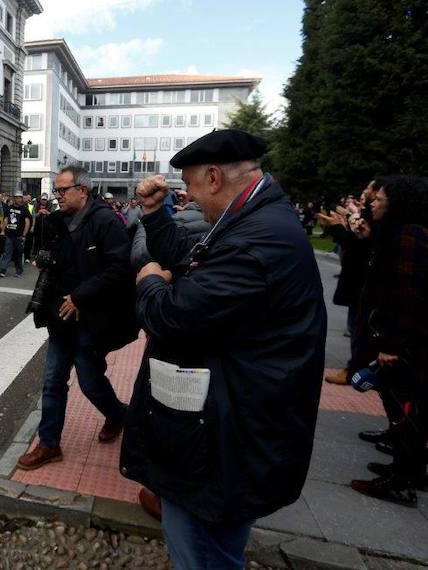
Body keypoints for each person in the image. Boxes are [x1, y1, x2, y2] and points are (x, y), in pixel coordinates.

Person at [122, 129, 327, 569]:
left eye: (191, 186)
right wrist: (155, 215)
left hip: (225, 440)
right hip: (231, 423)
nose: (190, 198)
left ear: (214, 177)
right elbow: (191, 258)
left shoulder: (257, 240)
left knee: (201, 552)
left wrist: (149, 283)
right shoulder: (254, 219)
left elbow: (172, 316)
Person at [17, 164, 138, 471]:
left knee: (89, 380)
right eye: (55, 190)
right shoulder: (57, 221)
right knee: (52, 381)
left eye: (62, 190)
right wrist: (43, 257)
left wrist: (82, 296)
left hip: (92, 318)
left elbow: (120, 269)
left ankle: (117, 414)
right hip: (60, 316)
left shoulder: (105, 221)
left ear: (82, 190)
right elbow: (52, 257)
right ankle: (49, 443)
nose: (56, 196)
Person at [349, 175, 428, 507]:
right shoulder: (400, 233)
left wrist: (392, 345)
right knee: (406, 408)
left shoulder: (408, 236)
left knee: (405, 409)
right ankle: (406, 469)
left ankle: (402, 481)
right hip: (406, 342)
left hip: (406, 346)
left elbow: (407, 294)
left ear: (398, 204)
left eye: (379, 199)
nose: (373, 204)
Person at [319, 182, 376, 384]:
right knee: (357, 325)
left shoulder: (372, 219)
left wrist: (338, 226)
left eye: (372, 191)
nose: (366, 193)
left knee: (359, 326)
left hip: (362, 280)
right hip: (359, 280)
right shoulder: (367, 216)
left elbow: (353, 241)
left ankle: (356, 369)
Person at [0, 190, 31, 278]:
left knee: (18, 254)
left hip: (19, 236)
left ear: (22, 199)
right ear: (14, 199)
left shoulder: (24, 209)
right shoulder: (9, 208)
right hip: (9, 235)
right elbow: (6, 219)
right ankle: (2, 270)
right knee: (7, 252)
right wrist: (3, 230)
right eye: (16, 198)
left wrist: (24, 235)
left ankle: (19, 270)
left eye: (19, 198)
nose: (18, 199)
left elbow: (27, 222)